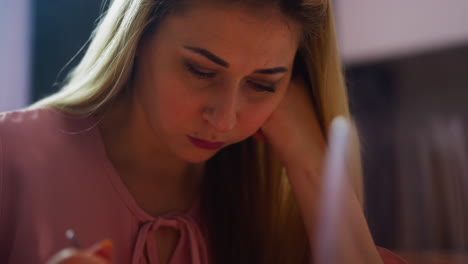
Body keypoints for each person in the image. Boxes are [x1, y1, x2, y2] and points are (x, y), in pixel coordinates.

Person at [0, 0, 406, 263]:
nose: (225, 119)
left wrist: (311, 163)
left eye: (263, 84)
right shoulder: (12, 154)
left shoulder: (273, 200)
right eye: (200, 70)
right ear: (138, 38)